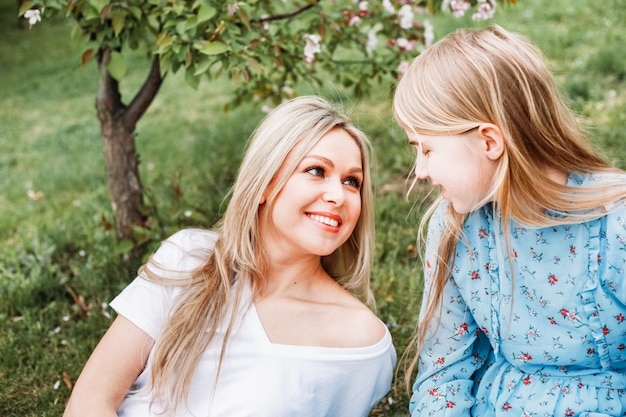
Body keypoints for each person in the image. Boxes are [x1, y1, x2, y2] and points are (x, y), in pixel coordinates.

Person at [63, 96, 396, 417]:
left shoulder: (361, 340)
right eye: (315, 171)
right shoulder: (191, 260)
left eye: (352, 181)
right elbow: (88, 402)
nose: (338, 195)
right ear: (265, 183)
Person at [393, 25, 626, 416]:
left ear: (489, 141)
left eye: (427, 148)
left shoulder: (614, 223)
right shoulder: (455, 228)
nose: (419, 170)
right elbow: (444, 369)